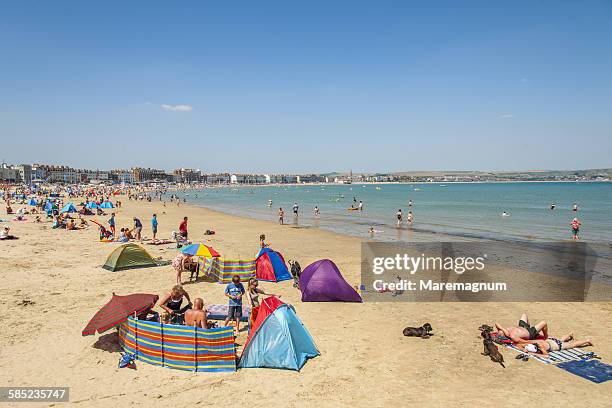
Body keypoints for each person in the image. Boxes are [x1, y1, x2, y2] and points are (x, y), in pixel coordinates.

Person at [517, 334, 592, 357]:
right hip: (551, 340)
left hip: (558, 345)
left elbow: (546, 356)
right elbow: (519, 344)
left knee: (573, 345)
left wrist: (531, 353)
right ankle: (569, 334)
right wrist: (523, 349)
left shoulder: (541, 347)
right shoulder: (533, 342)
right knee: (560, 339)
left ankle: (587, 340)